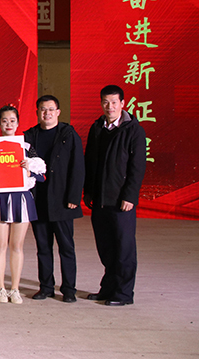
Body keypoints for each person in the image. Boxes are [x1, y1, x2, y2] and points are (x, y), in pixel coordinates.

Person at [84, 85, 146, 306]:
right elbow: (90, 162)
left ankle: (123, 294)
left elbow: (137, 167)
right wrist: (88, 192)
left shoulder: (134, 130)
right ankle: (108, 288)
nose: (109, 107)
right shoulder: (97, 128)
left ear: (122, 103)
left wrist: (130, 196)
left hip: (121, 200)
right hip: (100, 199)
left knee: (124, 247)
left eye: (113, 102)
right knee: (106, 247)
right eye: (105, 102)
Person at [23, 95, 84, 303]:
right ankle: (46, 287)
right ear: (37, 112)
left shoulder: (69, 134)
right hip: (38, 199)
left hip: (62, 200)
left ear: (58, 112)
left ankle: (69, 289)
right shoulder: (29, 136)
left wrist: (74, 196)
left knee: (66, 247)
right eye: (42, 109)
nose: (46, 113)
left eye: (50, 109)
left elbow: (78, 166)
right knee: (43, 247)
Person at [0, 105, 45, 304]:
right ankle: (0, 288)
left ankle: (15, 288)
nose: (8, 124)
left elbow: (42, 176)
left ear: (18, 123)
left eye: (12, 120)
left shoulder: (26, 147)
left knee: (17, 246)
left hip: (21, 199)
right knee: (0, 245)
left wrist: (29, 170)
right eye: (4, 120)